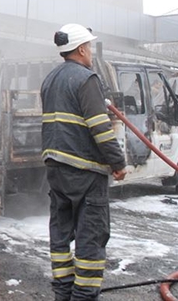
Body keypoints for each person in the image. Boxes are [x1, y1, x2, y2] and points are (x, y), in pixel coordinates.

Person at [40, 23, 127, 301]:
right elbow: (100, 128)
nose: (90, 52)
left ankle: (63, 294)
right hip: (85, 172)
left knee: (61, 236)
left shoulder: (50, 80)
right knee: (91, 238)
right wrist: (118, 162)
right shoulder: (86, 79)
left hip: (56, 169)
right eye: (89, 47)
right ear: (81, 49)